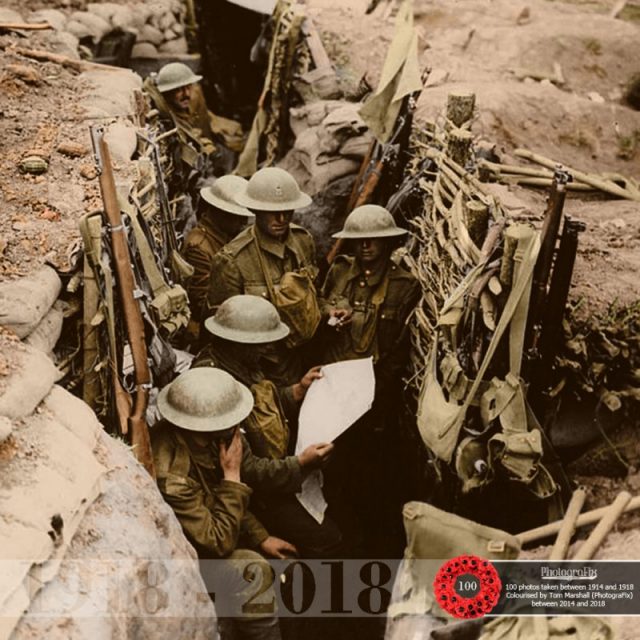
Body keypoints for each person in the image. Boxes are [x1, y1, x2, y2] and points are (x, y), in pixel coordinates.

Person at [152, 367, 333, 640]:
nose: (236, 430)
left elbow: (213, 496)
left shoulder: (205, 437)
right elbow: (217, 541)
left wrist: (261, 536)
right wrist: (233, 477)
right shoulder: (172, 473)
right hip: (190, 558)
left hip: (215, 529)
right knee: (252, 571)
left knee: (291, 566)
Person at [193, 295, 345, 559]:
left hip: (274, 475)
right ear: (238, 342)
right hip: (254, 496)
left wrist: (296, 391)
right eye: (260, 344)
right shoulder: (213, 386)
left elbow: (260, 409)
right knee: (329, 540)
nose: (267, 349)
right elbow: (245, 470)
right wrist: (300, 464)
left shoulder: (239, 363)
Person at [319, 204, 420, 556]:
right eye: (359, 240)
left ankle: (369, 541)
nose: (365, 247)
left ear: (388, 243)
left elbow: (398, 352)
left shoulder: (403, 286)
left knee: (370, 474)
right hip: (332, 388)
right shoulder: (340, 273)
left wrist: (377, 399)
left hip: (372, 397)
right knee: (331, 471)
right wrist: (329, 317)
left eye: (374, 240)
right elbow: (319, 311)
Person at [206, 167, 320, 386]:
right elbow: (221, 334)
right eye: (271, 212)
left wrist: (330, 312)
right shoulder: (232, 260)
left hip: (304, 356)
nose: (281, 218)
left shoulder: (303, 241)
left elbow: (316, 295)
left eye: (287, 210)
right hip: (261, 371)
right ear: (255, 209)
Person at [143, 62, 244, 176]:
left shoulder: (195, 96)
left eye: (188, 87)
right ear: (166, 92)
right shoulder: (165, 114)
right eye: (179, 90)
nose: (187, 94)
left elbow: (202, 121)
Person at [182, 176, 255, 327]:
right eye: (238, 217)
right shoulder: (200, 247)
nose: (243, 223)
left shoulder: (223, 236)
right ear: (220, 212)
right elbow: (201, 303)